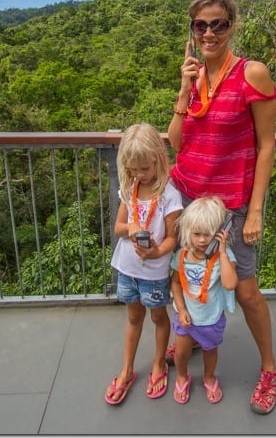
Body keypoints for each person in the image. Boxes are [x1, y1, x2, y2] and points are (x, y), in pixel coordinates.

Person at [167, 0, 276, 414]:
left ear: (231, 26)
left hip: (229, 204)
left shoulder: (251, 73)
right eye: (201, 25)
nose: (209, 32)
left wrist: (254, 211)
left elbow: (266, 145)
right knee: (189, 276)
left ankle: (269, 368)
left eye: (218, 24)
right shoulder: (195, 76)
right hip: (189, 199)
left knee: (247, 290)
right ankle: (194, 338)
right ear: (193, 30)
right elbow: (176, 143)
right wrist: (183, 90)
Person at [104, 123, 183, 405]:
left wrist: (157, 252)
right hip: (127, 269)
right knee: (134, 317)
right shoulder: (130, 188)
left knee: (158, 317)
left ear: (158, 161)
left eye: (144, 169)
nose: (138, 175)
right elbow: (118, 227)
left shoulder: (169, 195)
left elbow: (173, 238)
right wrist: (131, 227)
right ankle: (127, 369)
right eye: (133, 169)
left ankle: (159, 363)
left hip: (154, 272)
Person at [169, 196, 238, 405]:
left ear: (219, 233)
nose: (201, 240)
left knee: (210, 351)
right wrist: (181, 309)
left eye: (207, 235)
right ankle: (182, 376)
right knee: (181, 352)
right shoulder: (182, 255)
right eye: (196, 234)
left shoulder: (223, 257)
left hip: (210, 318)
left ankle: (209, 376)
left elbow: (229, 284)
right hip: (186, 316)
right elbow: (176, 284)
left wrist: (223, 252)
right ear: (188, 232)